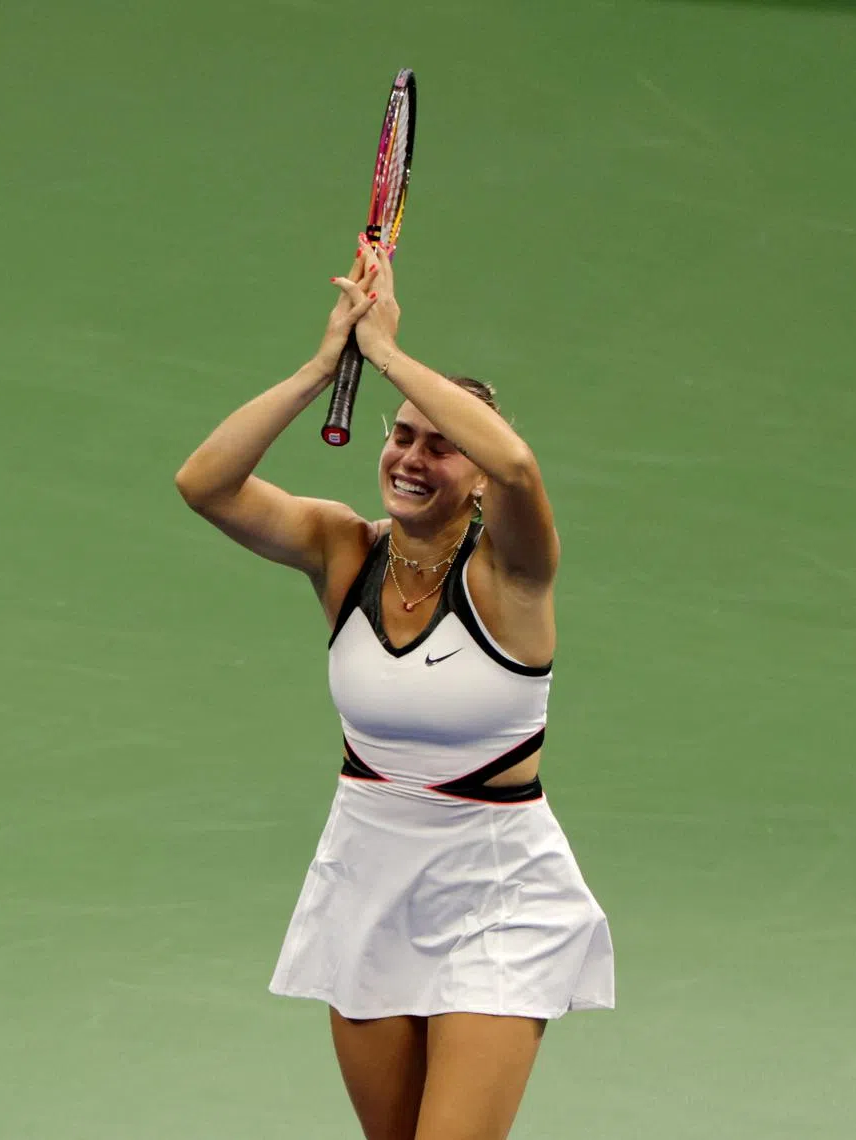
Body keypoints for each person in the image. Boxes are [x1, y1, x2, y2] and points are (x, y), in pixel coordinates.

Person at [175, 236, 614, 1140]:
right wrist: (321, 364)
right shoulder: (344, 549)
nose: (413, 458)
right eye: (402, 435)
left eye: (444, 448)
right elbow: (205, 484)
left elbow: (524, 467)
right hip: (367, 876)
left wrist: (387, 355)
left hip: (499, 891)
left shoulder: (514, 575)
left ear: (479, 481)